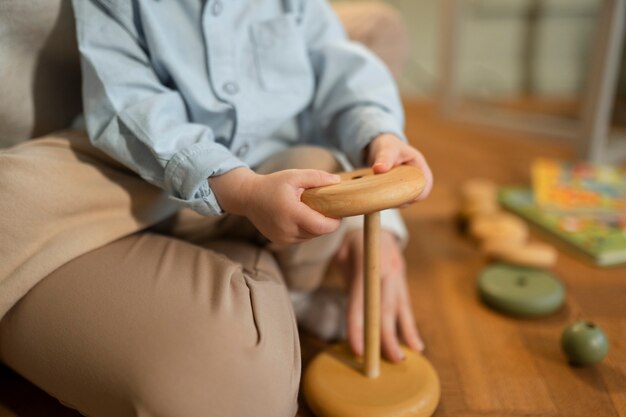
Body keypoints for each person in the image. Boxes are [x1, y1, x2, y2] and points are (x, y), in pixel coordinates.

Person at [0, 0, 432, 416]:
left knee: (323, 172)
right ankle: (248, 283)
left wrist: (381, 136)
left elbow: (340, 67)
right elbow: (131, 105)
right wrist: (240, 188)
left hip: (278, 172)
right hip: (153, 182)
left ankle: (296, 295)